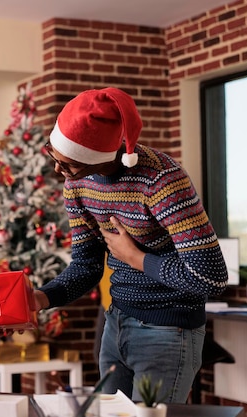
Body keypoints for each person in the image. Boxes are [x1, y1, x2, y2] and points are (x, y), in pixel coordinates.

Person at [33, 87, 228, 403]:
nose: (59, 171)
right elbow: (86, 266)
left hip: (168, 332)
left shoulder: (162, 180)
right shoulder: (77, 184)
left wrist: (135, 258)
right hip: (116, 324)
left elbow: (211, 278)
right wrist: (42, 298)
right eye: (53, 155)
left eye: (67, 164)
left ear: (96, 157)